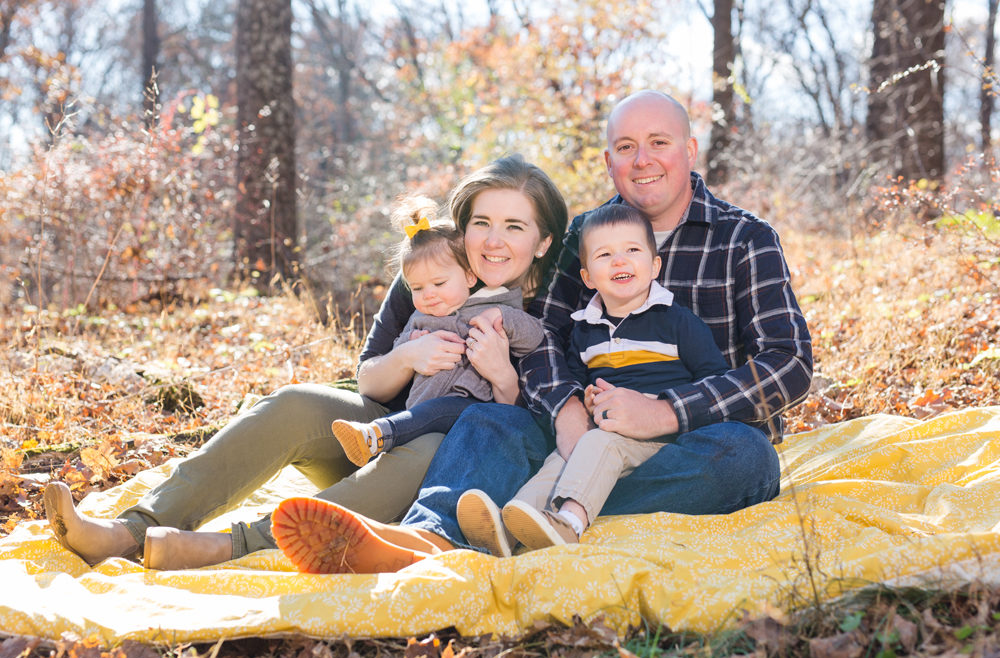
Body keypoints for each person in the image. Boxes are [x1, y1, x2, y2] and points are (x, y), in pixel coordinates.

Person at [268, 89, 814, 573]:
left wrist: (667, 412)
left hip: (693, 443)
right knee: (493, 418)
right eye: (626, 147)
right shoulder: (586, 233)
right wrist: (569, 411)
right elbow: (546, 338)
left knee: (748, 458)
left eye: (658, 142)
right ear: (609, 161)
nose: (642, 159)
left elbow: (789, 363)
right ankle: (428, 534)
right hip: (583, 434)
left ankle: (526, 513)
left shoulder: (746, 238)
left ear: (689, 151)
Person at [42, 154, 567, 570]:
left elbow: (541, 426)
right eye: (482, 222)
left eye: (515, 227)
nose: (494, 241)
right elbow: (369, 378)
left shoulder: (556, 307)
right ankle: (130, 529)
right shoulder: (431, 269)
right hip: (375, 436)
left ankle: (233, 545)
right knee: (294, 402)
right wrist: (408, 356)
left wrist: (501, 373)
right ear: (462, 226)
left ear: (543, 241)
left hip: (451, 472)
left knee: (428, 442)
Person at [475, 203, 730, 552]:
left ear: (654, 266)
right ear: (588, 277)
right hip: (601, 430)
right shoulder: (584, 329)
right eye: (605, 254)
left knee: (597, 444)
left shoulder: (677, 321)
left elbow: (713, 379)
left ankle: (570, 524)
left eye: (632, 251)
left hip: (659, 439)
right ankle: (511, 528)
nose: (620, 261)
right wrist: (586, 398)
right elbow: (575, 383)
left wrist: (662, 408)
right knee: (563, 456)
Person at [331, 195, 544, 467]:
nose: (428, 295)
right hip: (418, 410)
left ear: (469, 276)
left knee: (439, 412)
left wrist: (504, 317)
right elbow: (394, 353)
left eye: (439, 283)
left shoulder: (495, 303)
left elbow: (533, 336)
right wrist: (408, 347)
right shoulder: (420, 318)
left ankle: (379, 433)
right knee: (421, 425)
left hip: (470, 409)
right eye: (417, 289)